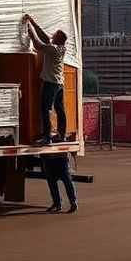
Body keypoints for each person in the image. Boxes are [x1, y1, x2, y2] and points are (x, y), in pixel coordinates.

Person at [23, 14, 77, 213]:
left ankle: (47, 136)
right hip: (59, 82)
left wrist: (28, 30)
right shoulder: (60, 48)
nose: (51, 36)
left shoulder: (53, 49)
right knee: (60, 109)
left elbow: (38, 44)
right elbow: (46, 37)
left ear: (57, 40)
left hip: (50, 83)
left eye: (55, 35)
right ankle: (60, 133)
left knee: (45, 109)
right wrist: (34, 21)